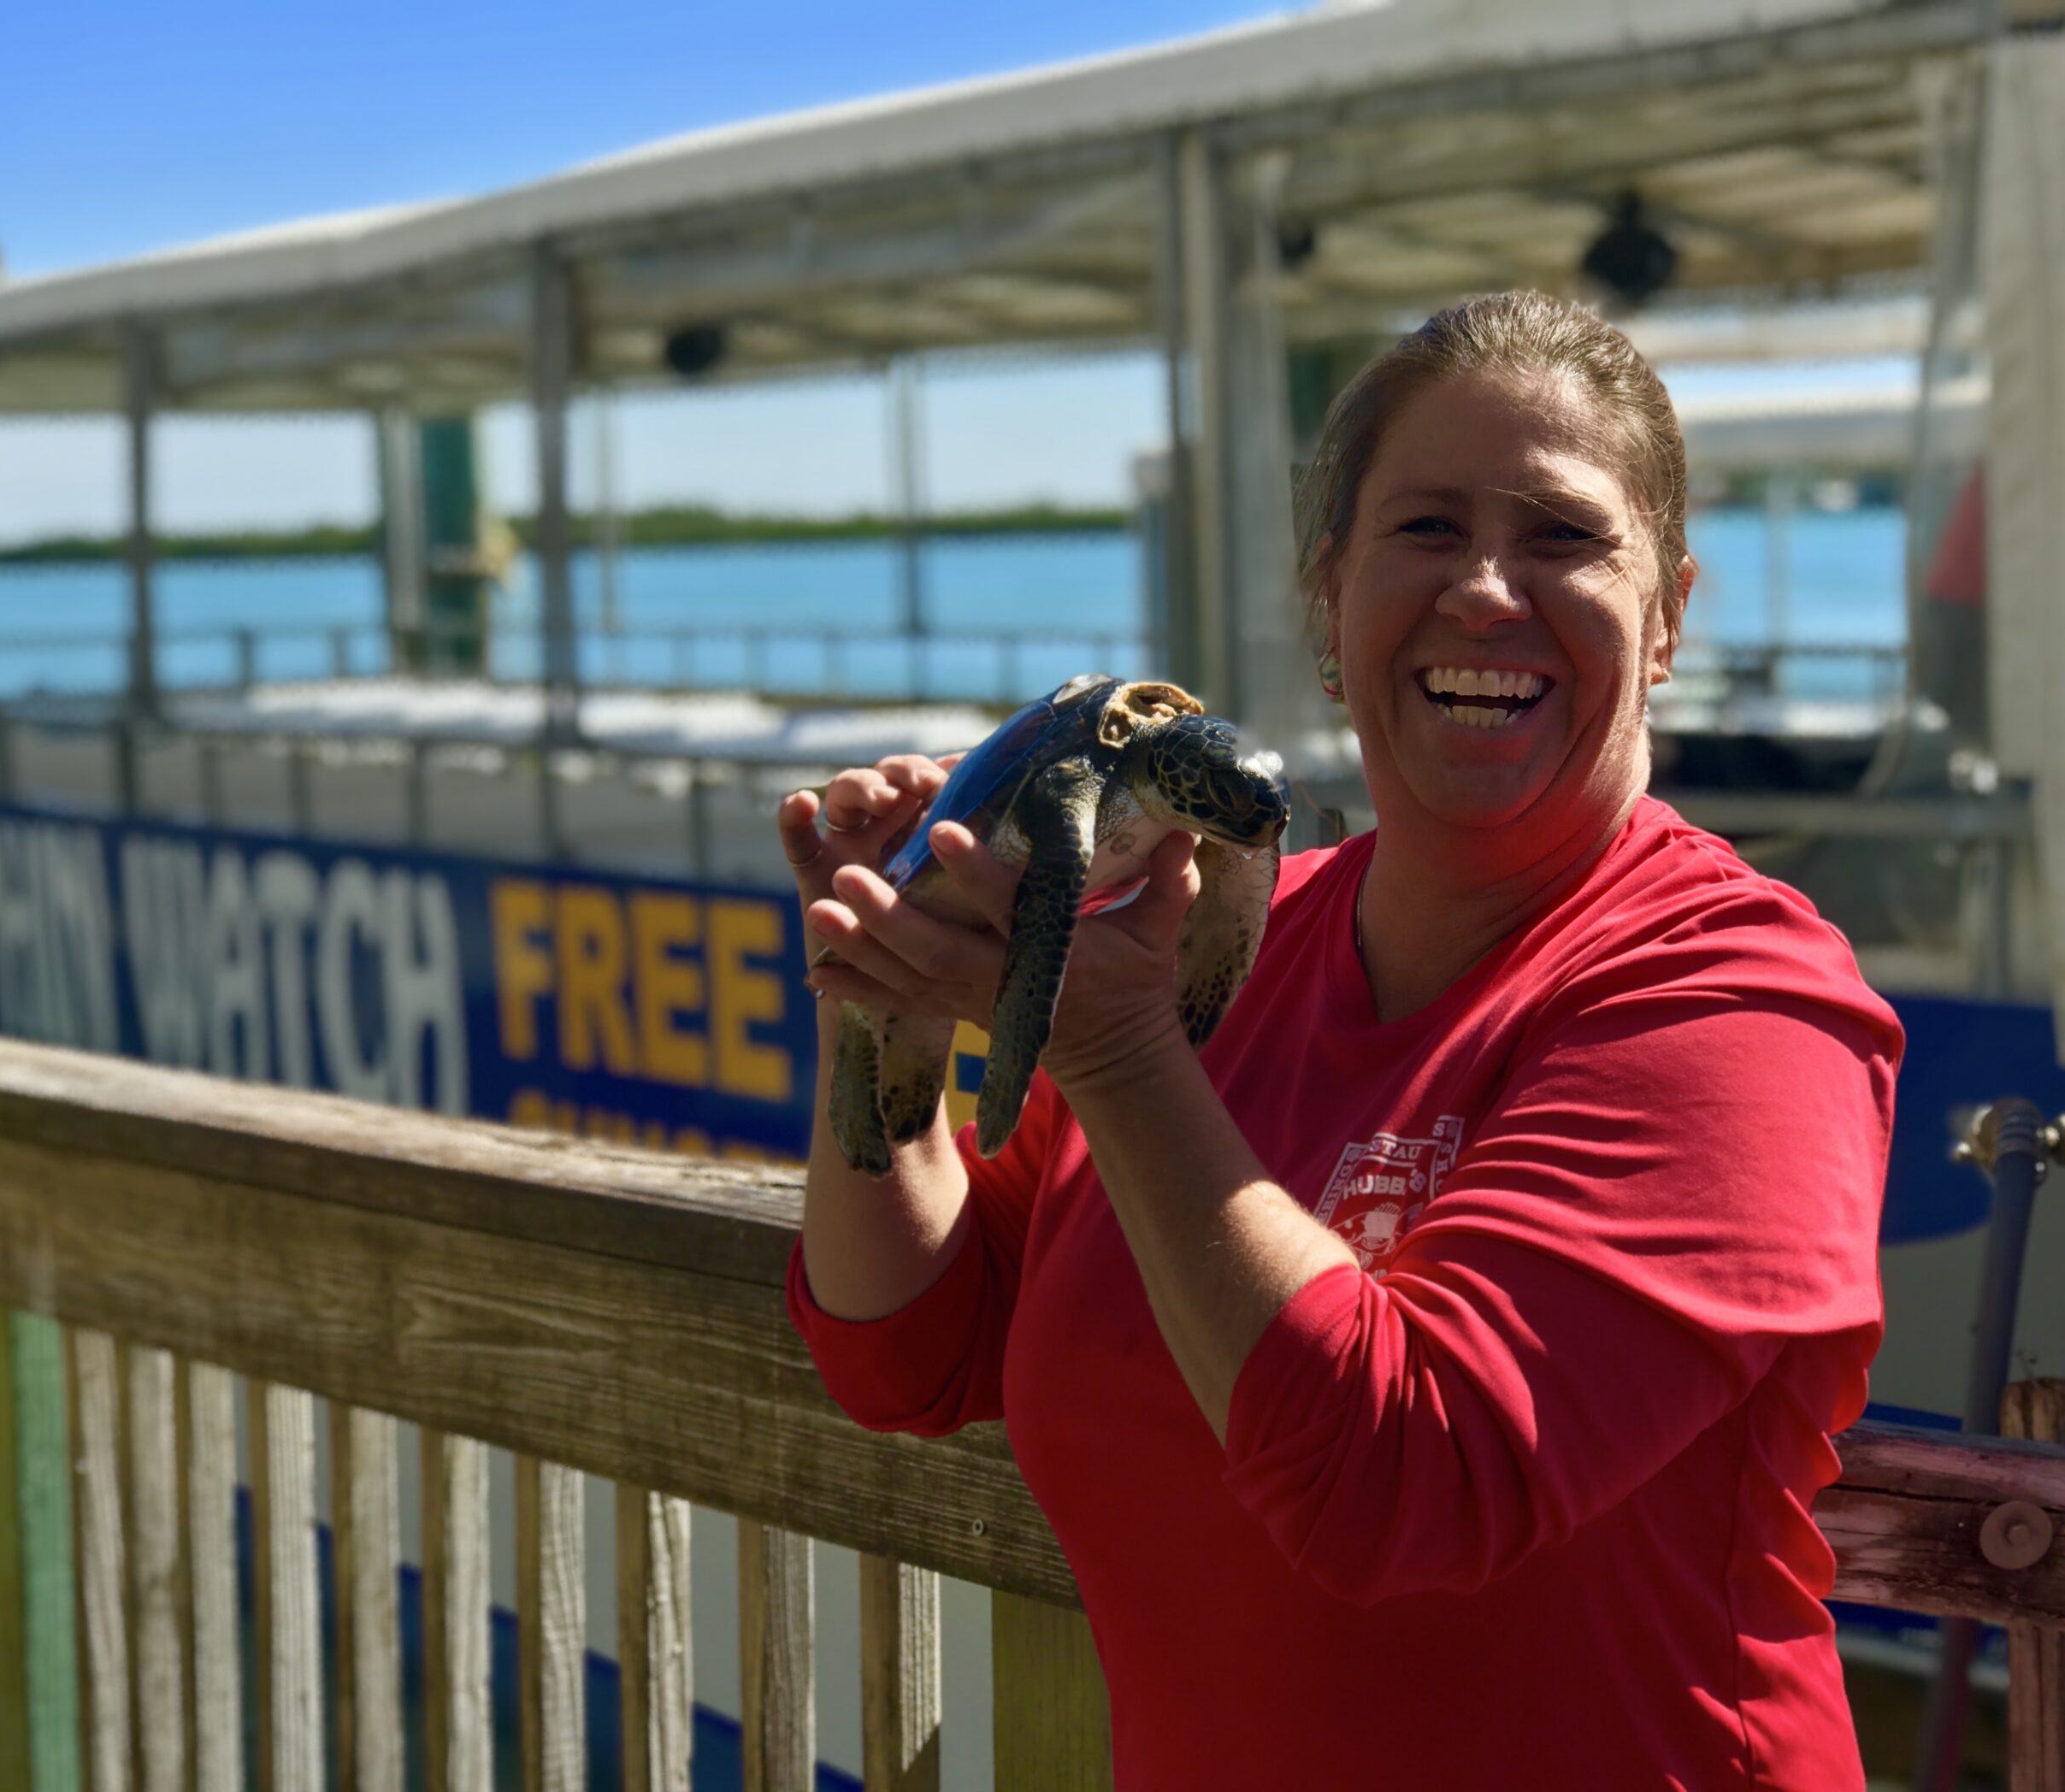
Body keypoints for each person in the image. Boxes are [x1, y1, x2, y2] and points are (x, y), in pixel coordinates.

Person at [776, 291, 1902, 1790]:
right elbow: (915, 1349)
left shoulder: (1743, 1003)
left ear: (1672, 613)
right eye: (1426, 528)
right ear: (1330, 597)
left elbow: (1404, 1482)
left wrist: (1115, 1057)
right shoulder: (1220, 948)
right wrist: (891, 1023)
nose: (1487, 590)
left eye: (1563, 535)